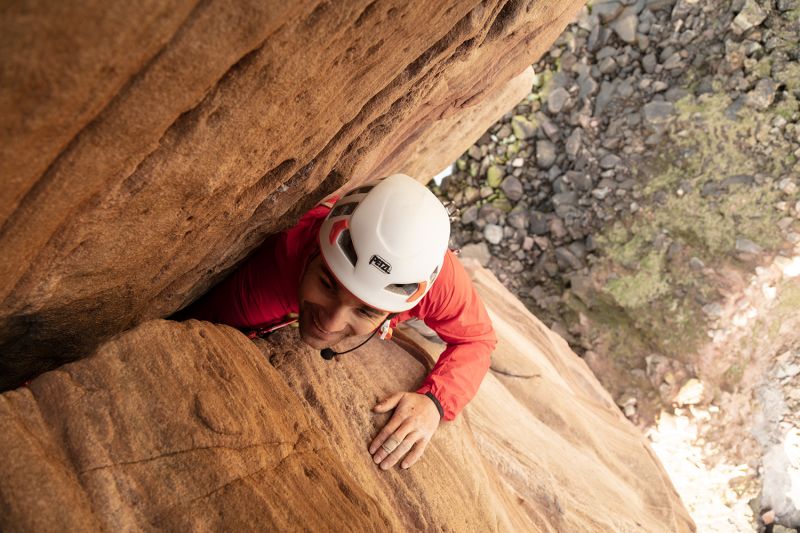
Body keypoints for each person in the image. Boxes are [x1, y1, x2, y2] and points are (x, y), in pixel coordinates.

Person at [180, 173, 496, 470]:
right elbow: (194, 330)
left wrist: (435, 402)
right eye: (328, 285)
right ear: (317, 250)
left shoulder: (437, 283)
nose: (330, 324)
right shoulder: (278, 264)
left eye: (366, 310)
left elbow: (478, 339)